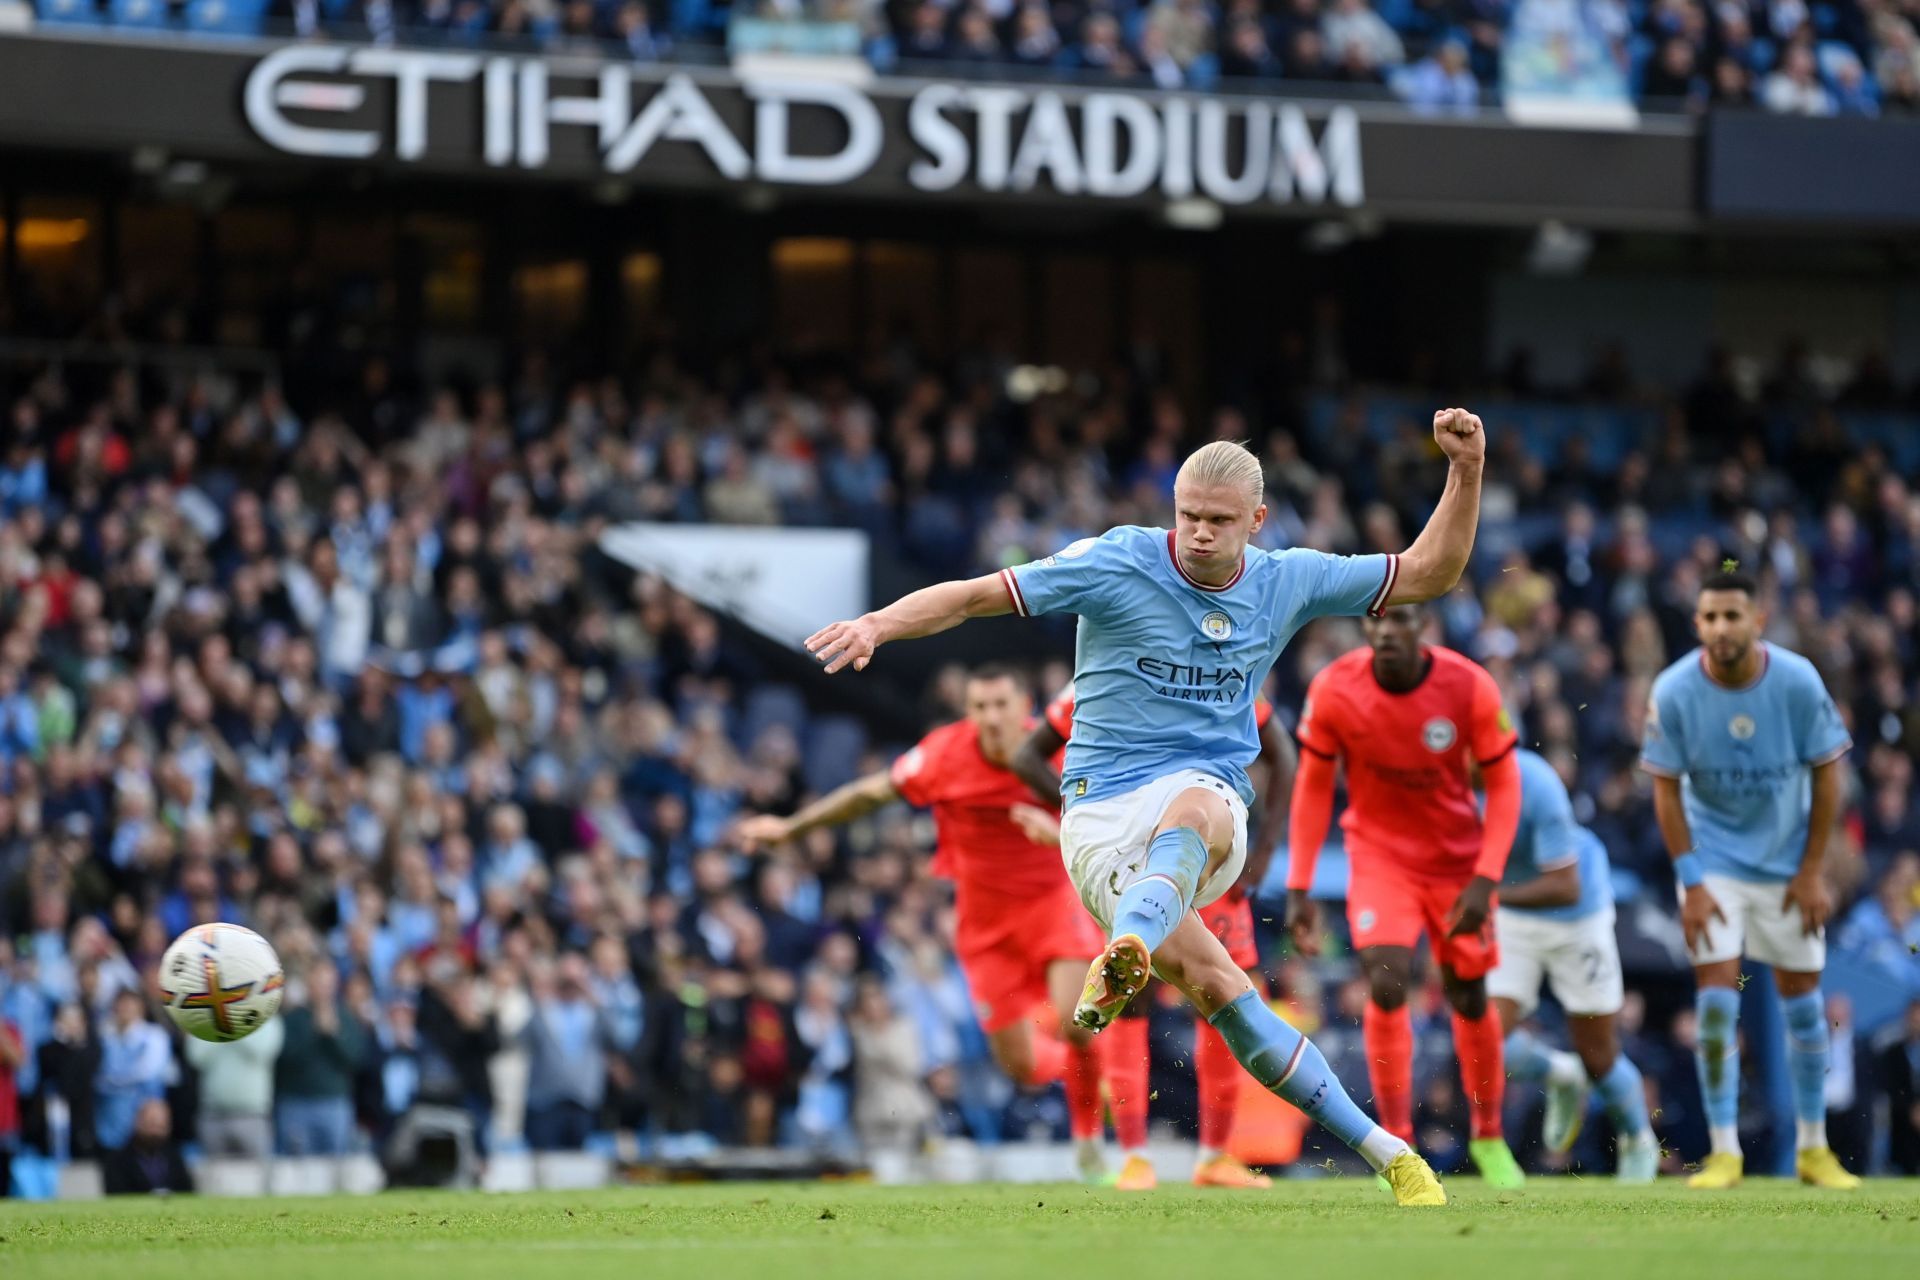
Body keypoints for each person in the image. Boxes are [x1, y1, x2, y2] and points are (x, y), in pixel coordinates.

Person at [801, 412, 1492, 1206]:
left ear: (1257, 522)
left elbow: (1429, 574)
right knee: (1228, 998)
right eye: (1188, 515)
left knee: (1197, 804)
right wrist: (877, 624)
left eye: (1219, 521)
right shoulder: (1117, 561)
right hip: (1098, 816)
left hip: (1204, 808)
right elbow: (974, 597)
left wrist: (1465, 471)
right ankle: (1391, 1156)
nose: (1198, 533)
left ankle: (1127, 945)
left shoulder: (1287, 578)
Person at [737, 666, 1118, 1183]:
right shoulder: (944, 755)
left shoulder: (1060, 750)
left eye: (1001, 705)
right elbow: (869, 794)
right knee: (1021, 1068)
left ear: (1024, 705)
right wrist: (791, 827)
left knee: (1078, 1023)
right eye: (979, 707)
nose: (990, 718)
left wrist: (1060, 829)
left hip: (1054, 903)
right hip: (983, 925)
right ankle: (1102, 1073)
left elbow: (1110, 818)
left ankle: (1090, 1136)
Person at [1010, 682, 1295, 1189]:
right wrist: (1079, 822)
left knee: (1222, 997)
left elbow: (1281, 751)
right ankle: (1135, 1156)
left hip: (1202, 850)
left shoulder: (1212, 665)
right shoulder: (1097, 679)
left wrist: (1265, 849)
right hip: (1129, 857)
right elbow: (1028, 756)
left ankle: (1215, 1157)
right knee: (1131, 991)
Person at [1284, 603, 1527, 1188]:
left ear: (1426, 629)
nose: (1388, 631)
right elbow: (1314, 787)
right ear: (1366, 629)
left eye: (1402, 621)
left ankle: (1489, 1136)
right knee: (1386, 978)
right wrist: (1299, 884)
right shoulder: (1337, 688)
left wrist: (1487, 876)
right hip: (1379, 858)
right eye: (1378, 622)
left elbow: (1505, 781)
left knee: (1468, 994)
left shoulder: (1468, 685)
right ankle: (1398, 1145)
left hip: (1456, 864)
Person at [1640, 564, 1857, 1190]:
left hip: (1790, 864)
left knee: (1804, 1006)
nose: (1720, 628)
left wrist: (1813, 869)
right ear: (1697, 622)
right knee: (1714, 1002)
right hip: (1714, 867)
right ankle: (1726, 1151)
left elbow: (1827, 774)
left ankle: (1814, 1150)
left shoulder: (1795, 680)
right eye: (1709, 616)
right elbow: (1665, 791)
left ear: (1758, 620)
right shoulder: (1675, 689)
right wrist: (1692, 880)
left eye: (1733, 615)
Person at [1486, 748, 1658, 1181]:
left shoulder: (1536, 782)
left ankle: (1638, 1138)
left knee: (1598, 1054)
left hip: (1578, 913)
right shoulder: (1443, 785)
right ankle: (1560, 1074)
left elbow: (1565, 885)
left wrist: (1484, 899)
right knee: (1483, 1042)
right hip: (1510, 913)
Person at [102, 1097, 193, 1196]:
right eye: (151, 1124)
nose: (155, 1132)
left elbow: (188, 1191)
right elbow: (115, 1194)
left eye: (161, 1127)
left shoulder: (175, 1157)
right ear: (138, 1122)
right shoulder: (117, 1160)